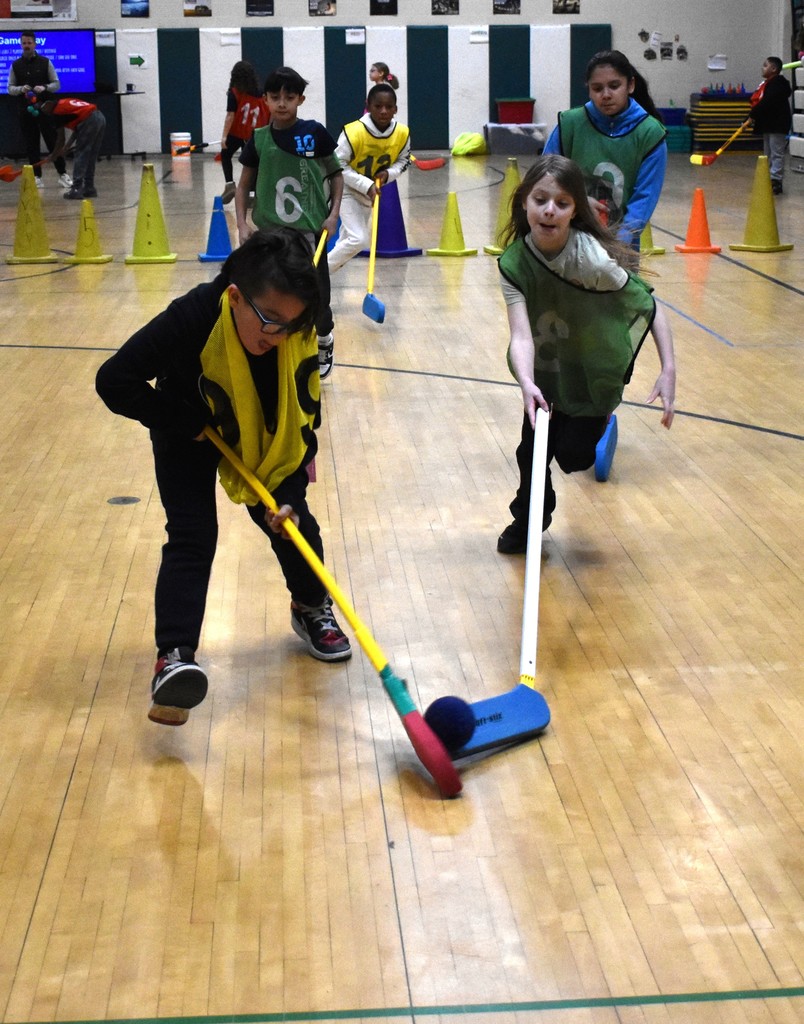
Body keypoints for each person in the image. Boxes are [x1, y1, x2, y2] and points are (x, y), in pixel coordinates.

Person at [95, 228, 352, 727]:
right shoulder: (192, 316)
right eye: (269, 321)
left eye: (292, 326)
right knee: (192, 536)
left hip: (262, 431)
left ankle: (310, 605)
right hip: (188, 427)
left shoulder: (294, 333)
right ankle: (174, 657)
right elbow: (114, 380)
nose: (277, 336)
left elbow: (302, 417)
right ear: (235, 296)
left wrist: (290, 494)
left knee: (293, 525)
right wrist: (179, 420)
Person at [495, 154, 676, 554]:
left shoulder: (591, 260)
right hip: (548, 365)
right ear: (524, 201)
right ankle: (528, 523)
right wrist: (526, 383)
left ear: (575, 210)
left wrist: (669, 368)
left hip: (593, 364)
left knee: (572, 457)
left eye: (561, 203)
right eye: (540, 199)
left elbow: (649, 304)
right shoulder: (513, 263)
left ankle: (603, 421)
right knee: (531, 450)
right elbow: (521, 337)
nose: (549, 210)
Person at [235, 67, 343, 380]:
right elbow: (243, 186)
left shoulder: (315, 133)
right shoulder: (258, 139)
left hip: (309, 232)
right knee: (269, 294)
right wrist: (242, 224)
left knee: (318, 296)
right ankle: (273, 349)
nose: (282, 103)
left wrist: (333, 214)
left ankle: (324, 338)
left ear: (301, 99)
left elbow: (336, 175)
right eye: (275, 97)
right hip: (270, 234)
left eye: (289, 97)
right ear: (265, 100)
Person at [543, 50, 667, 250]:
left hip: (621, 244)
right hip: (567, 237)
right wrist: (579, 204)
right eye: (597, 88)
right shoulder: (569, 124)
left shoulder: (651, 134)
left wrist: (619, 244)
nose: (606, 95)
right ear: (588, 89)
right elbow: (546, 177)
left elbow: (644, 197)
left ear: (631, 85)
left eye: (614, 86)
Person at [328, 83, 410, 272]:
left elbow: (404, 160)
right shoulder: (353, 131)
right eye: (378, 106)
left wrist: (389, 174)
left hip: (367, 196)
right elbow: (337, 164)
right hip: (345, 189)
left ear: (395, 109)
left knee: (346, 242)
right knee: (358, 239)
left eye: (389, 107)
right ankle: (316, 273)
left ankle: (319, 282)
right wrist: (366, 184)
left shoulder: (402, 133)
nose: (383, 111)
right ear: (368, 106)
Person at [6, 30, 72, 190]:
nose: (26, 46)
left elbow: (57, 84)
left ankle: (63, 174)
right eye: (24, 43)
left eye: (29, 43)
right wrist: (21, 89)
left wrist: (45, 87)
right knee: (31, 144)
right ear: (21, 45)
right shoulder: (15, 65)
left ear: (35, 44)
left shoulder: (45, 62)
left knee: (52, 142)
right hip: (26, 111)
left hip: (46, 109)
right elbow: (9, 88)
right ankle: (37, 177)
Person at [31, 97, 106, 199]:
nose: (44, 112)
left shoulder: (57, 113)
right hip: (99, 117)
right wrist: (66, 148)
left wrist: (53, 155)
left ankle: (76, 188)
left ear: (48, 103)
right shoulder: (64, 103)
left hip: (89, 120)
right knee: (90, 156)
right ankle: (89, 188)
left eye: (43, 108)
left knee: (81, 155)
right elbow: (78, 128)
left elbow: (61, 138)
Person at [219, 60, 269, 205]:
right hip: (254, 133)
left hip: (237, 132)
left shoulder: (234, 92)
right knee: (251, 162)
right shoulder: (261, 94)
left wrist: (224, 136)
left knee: (225, 154)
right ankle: (252, 193)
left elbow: (230, 115)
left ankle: (229, 184)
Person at [747, 57, 792, 195]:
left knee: (776, 153)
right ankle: (768, 178)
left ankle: (775, 181)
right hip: (768, 124)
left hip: (777, 124)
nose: (762, 67)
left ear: (773, 69)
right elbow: (761, 104)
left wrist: (752, 115)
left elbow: (767, 102)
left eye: (765, 65)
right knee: (767, 154)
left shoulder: (778, 84)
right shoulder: (767, 84)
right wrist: (750, 117)